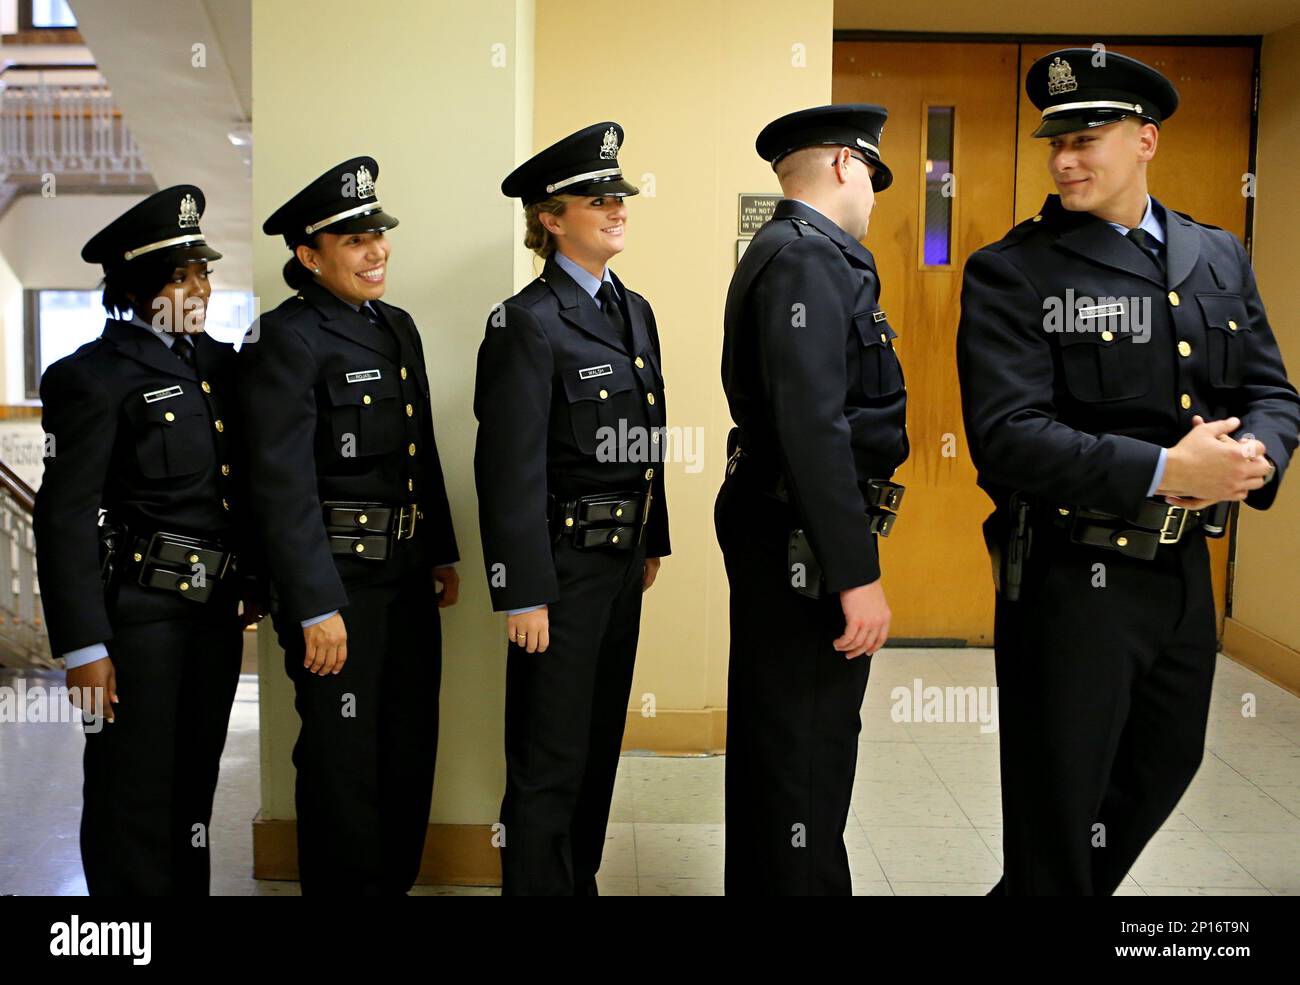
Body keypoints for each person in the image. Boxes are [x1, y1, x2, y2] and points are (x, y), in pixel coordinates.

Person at [957, 49, 1300, 895]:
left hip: (1183, 570)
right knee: (1058, 802)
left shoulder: (1217, 253)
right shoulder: (1017, 269)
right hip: (1073, 576)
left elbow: (1272, 390)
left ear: (1145, 139)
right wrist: (1162, 466)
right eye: (1055, 142)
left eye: (1087, 136)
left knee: (1164, 762)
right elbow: (1008, 436)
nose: (1065, 158)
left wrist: (1256, 455)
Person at [240, 156, 460, 895]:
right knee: (342, 760)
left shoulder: (397, 327)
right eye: (354, 240)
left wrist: (440, 552)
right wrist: (313, 603)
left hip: (403, 577)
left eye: (379, 233)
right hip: (338, 588)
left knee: (405, 747)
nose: (377, 250)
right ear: (309, 256)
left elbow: (417, 447)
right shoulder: (287, 338)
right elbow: (281, 486)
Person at [34, 185, 262, 894]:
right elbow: (63, 515)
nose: (200, 286)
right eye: (182, 274)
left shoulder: (218, 366)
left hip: (213, 617)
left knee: (193, 789)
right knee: (130, 794)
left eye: (203, 271)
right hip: (138, 620)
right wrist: (83, 647)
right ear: (140, 287)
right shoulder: (92, 378)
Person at [717, 104, 908, 894]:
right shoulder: (807, 258)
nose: (872, 192)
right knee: (805, 749)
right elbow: (813, 428)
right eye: (871, 172)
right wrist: (854, 572)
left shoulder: (798, 253)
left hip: (788, 525)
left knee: (784, 741)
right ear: (841, 164)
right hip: (803, 535)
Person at [476, 122, 670, 895]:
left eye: (619, 193)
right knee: (548, 755)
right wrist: (522, 587)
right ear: (551, 219)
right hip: (557, 574)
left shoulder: (636, 309)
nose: (617, 207)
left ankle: (574, 881)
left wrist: (651, 539)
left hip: (620, 566)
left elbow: (646, 436)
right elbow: (506, 467)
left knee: (596, 745)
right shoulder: (526, 321)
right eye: (598, 198)